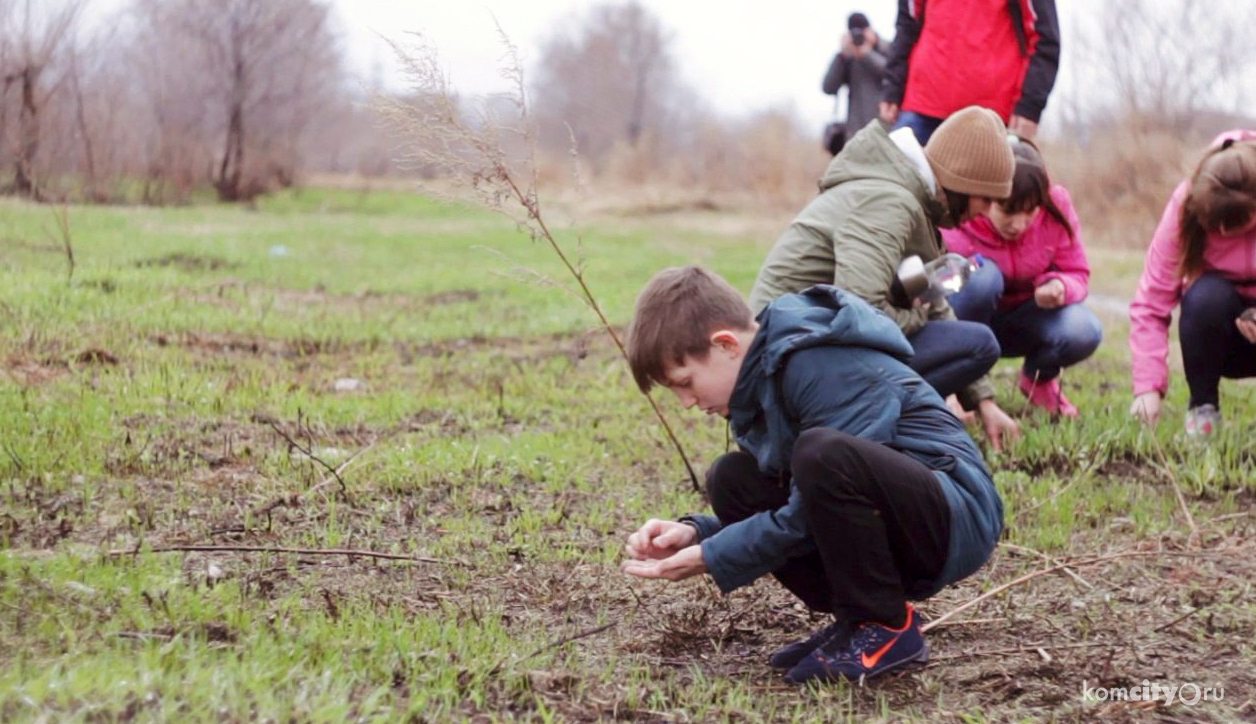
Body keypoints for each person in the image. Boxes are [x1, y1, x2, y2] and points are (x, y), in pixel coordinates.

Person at [621, 266, 1002, 684]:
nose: (686, 403)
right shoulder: (757, 388)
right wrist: (698, 534)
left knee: (822, 454)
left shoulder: (818, 361)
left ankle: (885, 625)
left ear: (726, 344)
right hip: (899, 512)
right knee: (732, 477)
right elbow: (802, 500)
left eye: (686, 383)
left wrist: (716, 556)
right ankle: (857, 621)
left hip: (954, 513)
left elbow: (814, 496)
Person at [749, 105, 1021, 451]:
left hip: (802, 352)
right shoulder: (891, 201)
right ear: (960, 181)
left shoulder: (906, 195)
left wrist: (984, 401)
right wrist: (916, 314)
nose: (986, 211)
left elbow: (933, 301)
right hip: (782, 365)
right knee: (977, 344)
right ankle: (851, 434)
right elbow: (861, 310)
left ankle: (876, 431)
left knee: (969, 341)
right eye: (986, 198)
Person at [942, 136, 1102, 416]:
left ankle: (1038, 381)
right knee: (981, 277)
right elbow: (938, 290)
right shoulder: (959, 215)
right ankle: (955, 386)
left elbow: (1078, 271)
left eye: (1030, 213)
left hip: (1028, 319)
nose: (1019, 225)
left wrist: (1059, 286)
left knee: (1084, 330)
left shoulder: (1057, 206)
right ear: (987, 197)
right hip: (970, 320)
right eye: (1008, 211)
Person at [1129, 131, 1256, 436]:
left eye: (1236, 224)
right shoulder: (1186, 204)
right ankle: (1204, 413)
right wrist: (1147, 387)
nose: (1224, 232)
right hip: (1220, 338)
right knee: (1205, 298)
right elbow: (1151, 302)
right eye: (1216, 225)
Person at [879, 0, 1061, 144]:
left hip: (991, 116)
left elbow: (1044, 39)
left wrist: (1029, 106)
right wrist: (893, 88)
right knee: (890, 183)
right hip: (922, 104)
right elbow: (907, 23)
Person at [821, 12, 890, 156]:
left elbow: (891, 75)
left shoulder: (886, 49)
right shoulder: (848, 57)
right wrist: (841, 55)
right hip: (855, 133)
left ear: (870, 31)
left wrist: (867, 54)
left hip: (886, 130)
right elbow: (828, 87)